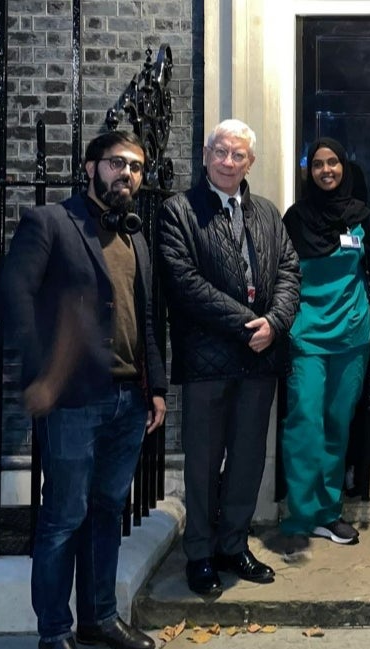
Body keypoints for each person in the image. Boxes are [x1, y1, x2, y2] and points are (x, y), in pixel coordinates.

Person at [0, 130, 167, 649]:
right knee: (62, 518)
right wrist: (41, 376)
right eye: (117, 163)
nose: (128, 174)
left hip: (127, 398)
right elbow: (14, 300)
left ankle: (98, 618)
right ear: (90, 166)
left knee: (106, 515)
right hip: (72, 400)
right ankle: (55, 633)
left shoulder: (136, 238)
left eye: (137, 167)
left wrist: (157, 388)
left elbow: (147, 320)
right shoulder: (50, 223)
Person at [156, 119, 300, 594]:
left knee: (246, 460)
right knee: (201, 462)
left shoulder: (266, 212)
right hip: (207, 360)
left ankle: (233, 546)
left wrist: (275, 323)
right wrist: (248, 326)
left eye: (238, 155)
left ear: (250, 163)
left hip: (260, 359)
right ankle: (199, 552)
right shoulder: (179, 210)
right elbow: (185, 284)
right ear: (205, 154)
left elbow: (288, 273)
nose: (228, 162)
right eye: (220, 152)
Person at [279, 138, 370, 546]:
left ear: (344, 167)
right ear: (310, 171)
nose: (326, 170)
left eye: (333, 163)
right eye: (318, 164)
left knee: (338, 424)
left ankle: (330, 510)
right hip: (306, 334)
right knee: (305, 420)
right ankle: (304, 511)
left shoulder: (362, 216)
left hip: (352, 334)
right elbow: (282, 273)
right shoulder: (294, 218)